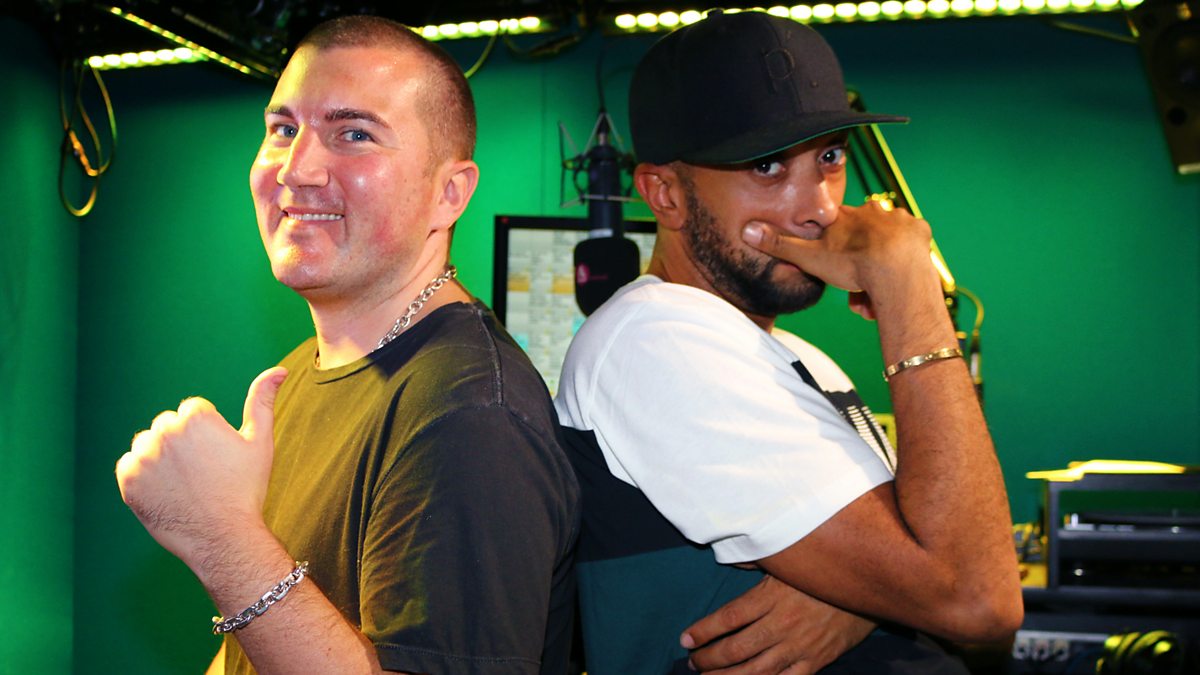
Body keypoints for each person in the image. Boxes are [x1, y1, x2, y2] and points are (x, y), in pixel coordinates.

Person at [555, 9, 1023, 674]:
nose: (821, 209)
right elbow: (977, 598)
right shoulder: (654, 336)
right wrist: (908, 291)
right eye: (768, 166)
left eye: (829, 157)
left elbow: (955, 576)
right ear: (666, 194)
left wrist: (864, 599)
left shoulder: (809, 361)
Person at [116, 15, 579, 675]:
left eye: (354, 133)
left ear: (448, 194)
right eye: (283, 129)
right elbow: (255, 644)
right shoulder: (298, 373)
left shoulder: (469, 412)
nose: (296, 169)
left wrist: (222, 539)